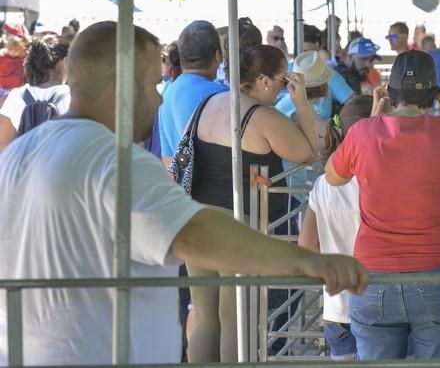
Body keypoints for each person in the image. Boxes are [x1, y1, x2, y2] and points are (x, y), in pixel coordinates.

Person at [0, 21, 368, 366]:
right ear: (121, 84)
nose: (160, 100)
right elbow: (195, 233)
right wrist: (307, 262)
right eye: (151, 85)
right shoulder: (114, 162)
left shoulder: (18, 154)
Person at [325, 50, 440, 360]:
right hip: (438, 276)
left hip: (372, 278)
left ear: (389, 92)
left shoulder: (361, 134)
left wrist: (371, 120)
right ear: (437, 95)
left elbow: (333, 176)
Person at [184, 44, 320, 362]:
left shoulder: (208, 102)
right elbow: (308, 151)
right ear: (263, 80)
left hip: (196, 218)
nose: (286, 86)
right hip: (237, 225)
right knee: (237, 318)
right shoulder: (262, 116)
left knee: (205, 317)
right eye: (283, 79)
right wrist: (301, 104)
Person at [298, 95, 375, 361]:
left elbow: (306, 246)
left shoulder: (323, 184)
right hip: (381, 303)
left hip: (337, 307)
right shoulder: (382, 182)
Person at [158, 20, 227, 167]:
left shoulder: (167, 94)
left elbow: (167, 159)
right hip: (215, 187)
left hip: (179, 187)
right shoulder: (220, 95)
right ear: (217, 56)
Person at [0, 34, 71, 151]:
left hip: (24, 168)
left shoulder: (17, 96)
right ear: (64, 62)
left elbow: (2, 145)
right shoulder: (71, 97)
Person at [275, 25, 354, 122]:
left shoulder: (283, 73)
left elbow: (352, 102)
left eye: (308, 53)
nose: (304, 56)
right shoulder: (283, 72)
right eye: (302, 52)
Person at [0, 23, 29, 105]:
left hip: (17, 89)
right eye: (11, 49)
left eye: (16, 50)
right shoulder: (2, 55)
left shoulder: (22, 56)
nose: (13, 52)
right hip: (2, 88)